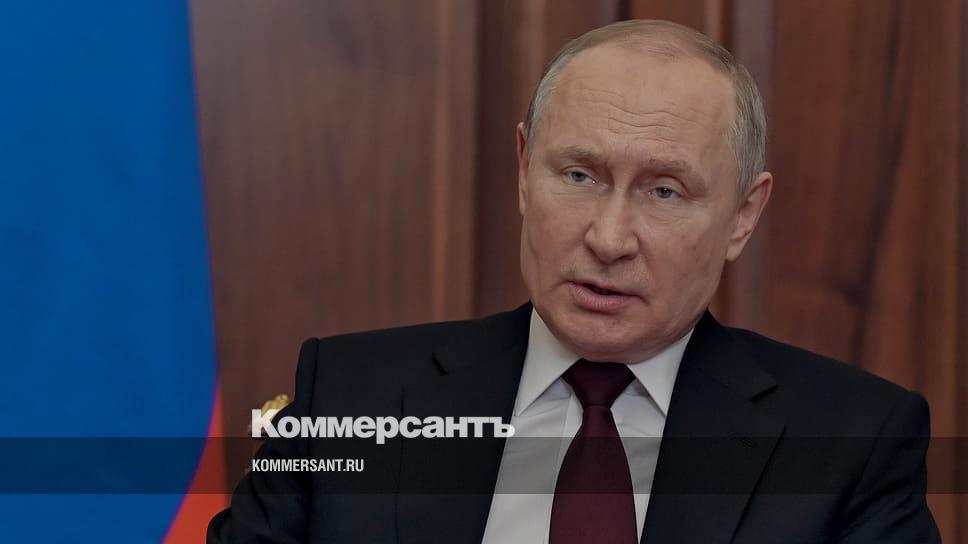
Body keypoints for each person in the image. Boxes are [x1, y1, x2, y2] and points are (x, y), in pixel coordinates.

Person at [208, 19, 939, 543]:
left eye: (664, 191)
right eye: (579, 176)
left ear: (743, 216)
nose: (608, 239)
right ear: (525, 171)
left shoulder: (852, 441)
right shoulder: (350, 394)